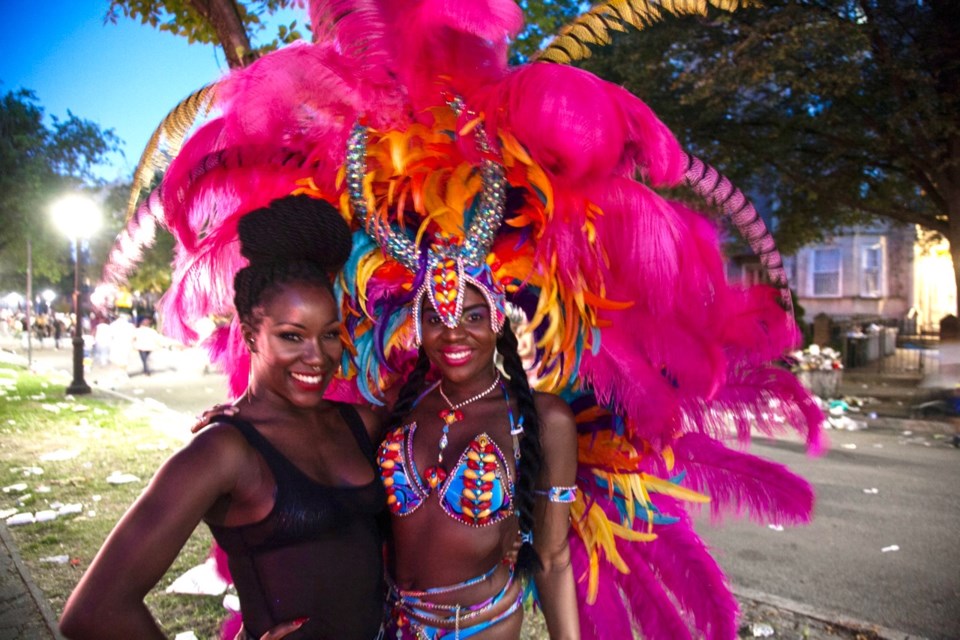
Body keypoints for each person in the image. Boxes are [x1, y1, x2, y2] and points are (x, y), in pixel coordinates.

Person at [59, 195, 386, 640]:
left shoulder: (360, 424)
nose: (317, 357)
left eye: (329, 334)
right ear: (251, 335)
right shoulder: (223, 450)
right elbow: (95, 612)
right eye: (292, 336)